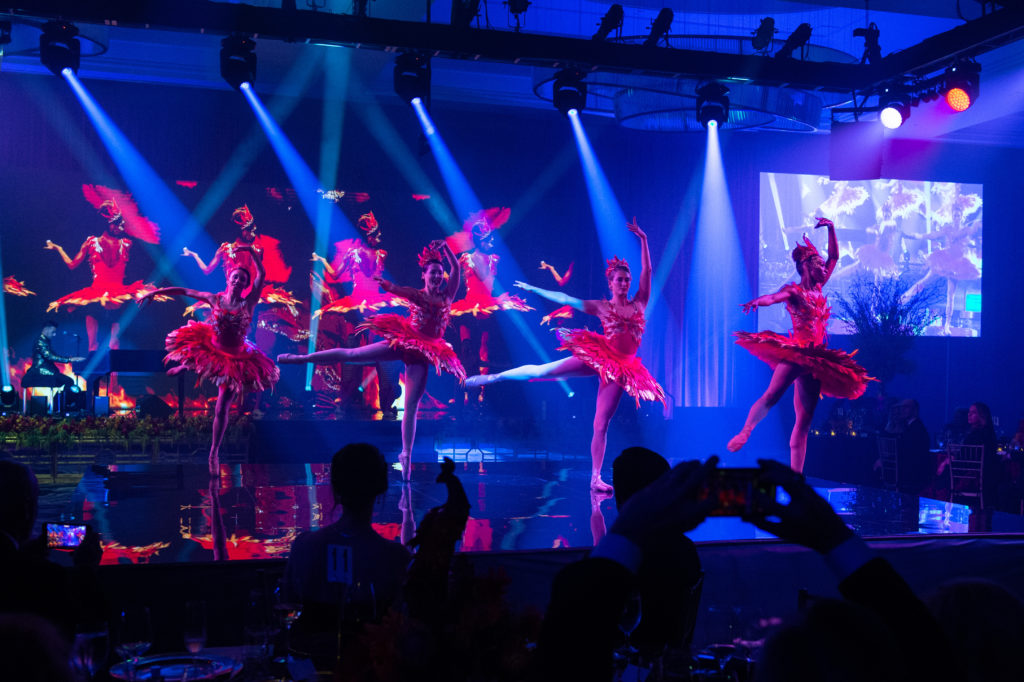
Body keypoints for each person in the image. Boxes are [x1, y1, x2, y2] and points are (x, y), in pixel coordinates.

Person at [466, 219, 664, 492]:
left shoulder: (640, 302)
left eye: (627, 279)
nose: (624, 283)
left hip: (622, 368)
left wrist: (643, 239)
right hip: (600, 356)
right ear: (610, 283)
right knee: (543, 371)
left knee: (600, 424)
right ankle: (494, 378)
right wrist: (536, 290)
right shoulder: (601, 306)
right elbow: (566, 299)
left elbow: (648, 271)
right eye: (619, 279)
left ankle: (596, 478)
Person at [278, 240, 464, 480]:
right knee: (353, 355)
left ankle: (406, 455)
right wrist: (388, 286)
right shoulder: (417, 294)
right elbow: (399, 290)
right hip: (405, 340)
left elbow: (456, 269)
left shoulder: (448, 295)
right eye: (433, 272)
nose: (437, 276)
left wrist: (446, 249)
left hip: (424, 351)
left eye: (440, 272)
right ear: (424, 275)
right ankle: (301, 358)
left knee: (412, 406)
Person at [728, 217, 873, 473]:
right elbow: (774, 297)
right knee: (772, 396)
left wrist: (832, 228)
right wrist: (757, 302)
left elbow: (834, 257)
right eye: (819, 264)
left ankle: (796, 476)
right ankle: (746, 431)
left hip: (817, 360)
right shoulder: (795, 292)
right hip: (798, 353)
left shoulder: (819, 288)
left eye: (823, 265)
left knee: (804, 421)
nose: (824, 268)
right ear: (806, 266)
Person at [138, 247, 279, 475]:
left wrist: (251, 252)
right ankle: (186, 365)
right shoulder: (215, 298)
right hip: (213, 347)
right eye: (235, 277)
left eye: (242, 280)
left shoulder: (249, 303)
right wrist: (155, 292)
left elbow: (261, 274)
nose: (238, 281)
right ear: (229, 279)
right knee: (199, 352)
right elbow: (185, 290)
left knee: (222, 407)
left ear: (245, 285)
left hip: (236, 358)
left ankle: (214, 452)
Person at [282, 443, 410, 629]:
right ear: (382, 487)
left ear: (335, 487)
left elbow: (287, 606)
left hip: (311, 647)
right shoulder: (397, 558)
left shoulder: (303, 546)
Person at [45, 197, 167, 351]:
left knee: (114, 344)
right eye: (117, 223)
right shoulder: (94, 242)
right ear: (107, 223)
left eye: (121, 223)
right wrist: (59, 249)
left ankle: (113, 365)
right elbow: (72, 265)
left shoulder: (125, 243)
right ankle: (97, 364)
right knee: (94, 345)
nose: (121, 227)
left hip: (117, 293)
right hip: (98, 293)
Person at [20, 320, 85, 397]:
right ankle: (60, 402)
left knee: (68, 381)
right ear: (46, 329)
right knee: (68, 381)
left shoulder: (45, 341)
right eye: (53, 332)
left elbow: (53, 355)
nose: (54, 334)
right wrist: (70, 359)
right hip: (41, 371)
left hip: (47, 370)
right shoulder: (40, 341)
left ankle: (59, 401)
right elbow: (49, 356)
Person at [963, 401, 999, 508]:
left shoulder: (975, 435)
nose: (969, 415)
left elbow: (963, 457)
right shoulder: (990, 434)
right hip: (986, 475)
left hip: (972, 476)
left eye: (973, 412)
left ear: (982, 415)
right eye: (969, 412)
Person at [895, 398, 932, 495]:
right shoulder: (909, 427)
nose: (902, 410)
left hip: (912, 473)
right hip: (909, 471)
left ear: (915, 410)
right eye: (901, 407)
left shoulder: (916, 428)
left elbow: (909, 452)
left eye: (905, 407)